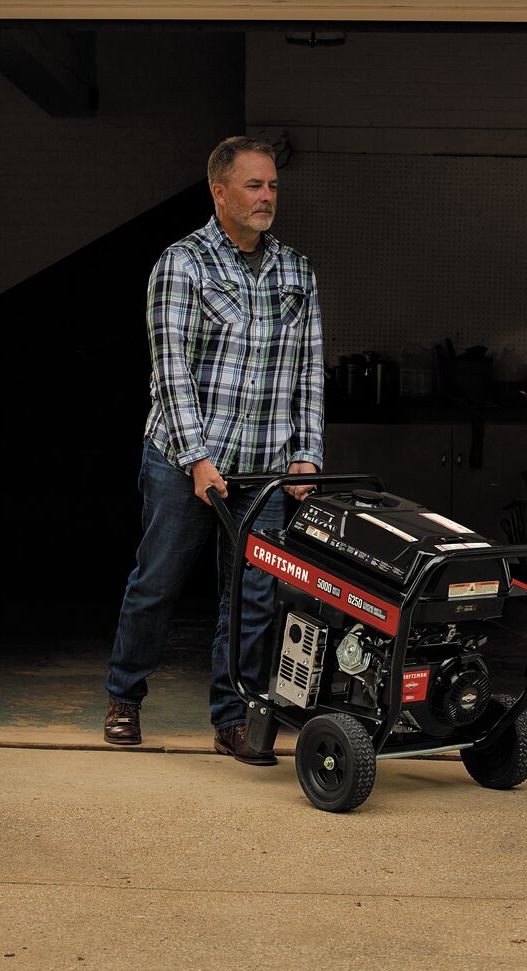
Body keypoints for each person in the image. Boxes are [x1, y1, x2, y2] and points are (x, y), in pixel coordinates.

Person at [103, 136, 325, 765]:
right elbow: (169, 372)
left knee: (254, 595)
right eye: (253, 186)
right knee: (159, 582)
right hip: (183, 460)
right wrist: (198, 458)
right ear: (219, 191)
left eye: (273, 186)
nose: (266, 198)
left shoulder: (297, 272)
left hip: (264, 468)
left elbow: (309, 371)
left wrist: (305, 455)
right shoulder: (181, 265)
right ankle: (125, 696)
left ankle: (234, 719)